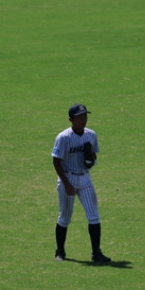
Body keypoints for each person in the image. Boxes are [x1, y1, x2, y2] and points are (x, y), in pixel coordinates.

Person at [51, 103, 112, 263]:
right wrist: (66, 184)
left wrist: (90, 159)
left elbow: (93, 159)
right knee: (64, 217)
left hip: (85, 178)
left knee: (94, 216)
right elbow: (56, 162)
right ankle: (60, 251)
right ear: (71, 119)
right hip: (68, 177)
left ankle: (96, 253)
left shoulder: (91, 135)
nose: (83, 119)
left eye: (85, 116)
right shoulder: (63, 137)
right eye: (79, 117)